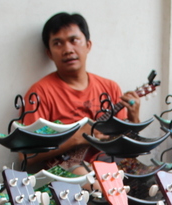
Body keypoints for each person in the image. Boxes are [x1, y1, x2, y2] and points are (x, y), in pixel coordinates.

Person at [22, 12, 141, 172]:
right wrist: (76, 139)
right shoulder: (39, 93)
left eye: (74, 40)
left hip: (109, 163)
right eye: (58, 43)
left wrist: (134, 118)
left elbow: (126, 147)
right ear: (49, 53)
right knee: (93, 180)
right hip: (67, 170)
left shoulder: (110, 87)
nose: (68, 50)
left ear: (88, 45)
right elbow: (26, 155)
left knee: (157, 175)